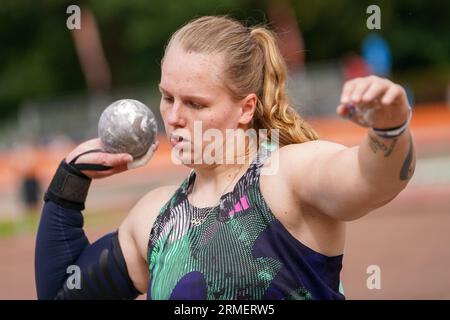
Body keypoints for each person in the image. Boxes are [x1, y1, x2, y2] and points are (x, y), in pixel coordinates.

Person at [35, 16, 416, 300]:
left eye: (195, 103)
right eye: (167, 97)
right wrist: (68, 184)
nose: (173, 117)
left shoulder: (286, 178)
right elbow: (61, 293)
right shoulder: (154, 218)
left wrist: (390, 129)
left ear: (246, 108)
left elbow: (375, 180)